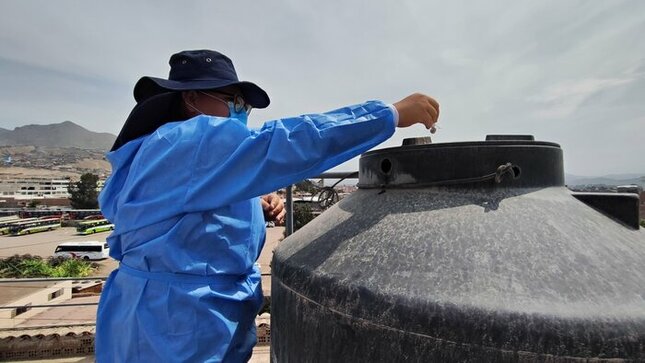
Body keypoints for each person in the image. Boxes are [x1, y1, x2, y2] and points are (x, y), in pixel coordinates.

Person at [95, 49, 439, 362]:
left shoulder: (163, 149)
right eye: (234, 101)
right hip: (177, 327)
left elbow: (169, 217)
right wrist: (387, 115)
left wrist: (251, 204)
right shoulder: (190, 139)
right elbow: (285, 143)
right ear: (191, 98)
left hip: (166, 315)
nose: (241, 112)